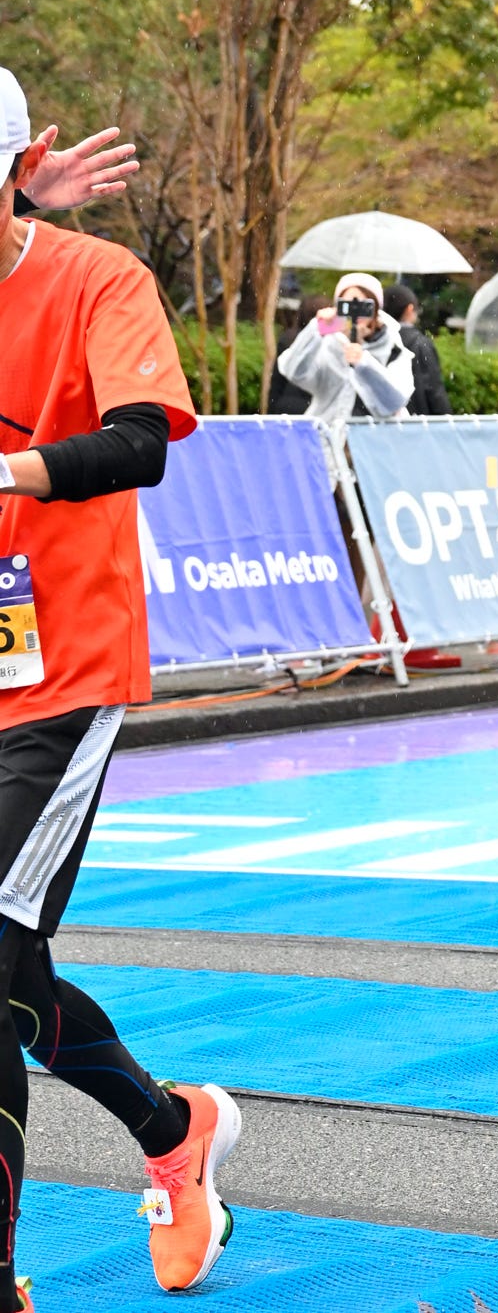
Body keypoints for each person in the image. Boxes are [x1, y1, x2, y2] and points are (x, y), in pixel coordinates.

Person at [0, 69, 239, 1307]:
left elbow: (143, 437)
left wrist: (16, 474)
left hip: (59, 674)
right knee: (8, 968)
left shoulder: (98, 279)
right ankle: (170, 1129)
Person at [275, 272, 414, 439]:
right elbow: (294, 371)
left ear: (376, 309)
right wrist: (316, 330)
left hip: (376, 446)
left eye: (364, 305)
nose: (356, 312)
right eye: (346, 305)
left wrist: (365, 364)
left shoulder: (393, 348)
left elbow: (395, 400)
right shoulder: (328, 345)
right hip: (330, 444)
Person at [386, 283, 452, 416]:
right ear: (410, 309)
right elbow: (434, 390)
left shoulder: (375, 341)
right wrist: (446, 420)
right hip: (416, 423)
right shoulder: (420, 344)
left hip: (380, 423)